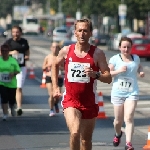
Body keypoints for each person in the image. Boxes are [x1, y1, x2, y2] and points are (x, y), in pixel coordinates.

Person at [51, 18, 112, 150]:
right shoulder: (66, 51)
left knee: (86, 140)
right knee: (75, 132)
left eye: (85, 30)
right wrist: (56, 87)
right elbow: (54, 65)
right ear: (75, 33)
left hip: (89, 101)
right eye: (80, 30)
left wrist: (95, 74)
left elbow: (108, 78)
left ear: (90, 33)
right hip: (71, 100)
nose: (82, 33)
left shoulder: (97, 54)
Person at [108, 37, 145, 150]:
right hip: (118, 92)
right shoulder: (115, 59)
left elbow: (139, 66)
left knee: (128, 118)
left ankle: (128, 143)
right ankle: (118, 134)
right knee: (118, 121)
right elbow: (109, 73)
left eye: (128, 47)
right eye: (124, 47)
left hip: (132, 92)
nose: (126, 49)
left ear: (131, 48)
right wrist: (119, 71)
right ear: (119, 47)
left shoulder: (136, 58)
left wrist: (141, 71)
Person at [5, 26, 30, 116]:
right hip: (10, 68)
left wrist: (25, 57)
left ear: (20, 33)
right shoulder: (8, 42)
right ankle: (11, 105)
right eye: (14, 32)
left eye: (17, 32)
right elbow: (2, 53)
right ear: (11, 33)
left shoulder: (24, 42)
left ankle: (19, 107)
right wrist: (12, 53)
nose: (15, 34)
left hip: (21, 68)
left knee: (19, 87)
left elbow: (27, 53)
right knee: (10, 88)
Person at [42, 42, 64, 117]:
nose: (55, 49)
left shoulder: (61, 57)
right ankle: (51, 109)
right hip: (49, 77)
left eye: (56, 47)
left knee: (58, 95)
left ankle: (55, 103)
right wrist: (48, 65)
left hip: (59, 77)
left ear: (59, 49)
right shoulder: (48, 57)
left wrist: (57, 67)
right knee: (51, 94)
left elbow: (64, 68)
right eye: (53, 47)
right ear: (51, 48)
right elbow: (43, 68)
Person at [0, 44, 20, 120]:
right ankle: (5, 113)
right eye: (2, 51)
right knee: (4, 97)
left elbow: (18, 70)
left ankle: (12, 106)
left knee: (11, 98)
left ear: (8, 52)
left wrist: (13, 73)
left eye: (6, 51)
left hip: (12, 83)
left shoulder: (13, 60)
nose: (4, 52)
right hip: (2, 83)